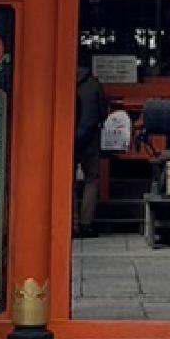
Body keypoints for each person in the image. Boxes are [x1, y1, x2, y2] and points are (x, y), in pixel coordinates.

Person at [73, 63, 107, 236]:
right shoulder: (94, 84)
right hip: (91, 136)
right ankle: (87, 222)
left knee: (67, 181)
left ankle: (72, 221)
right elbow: (102, 111)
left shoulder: (64, 81)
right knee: (91, 179)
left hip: (67, 137)